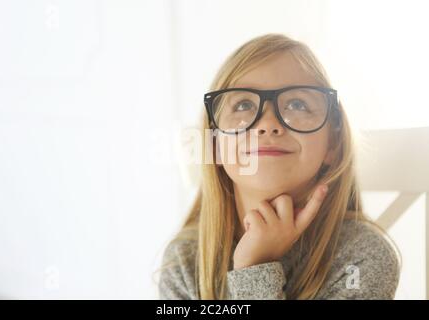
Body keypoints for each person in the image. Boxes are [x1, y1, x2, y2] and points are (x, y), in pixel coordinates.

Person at [157, 33, 400, 300]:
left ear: (333, 144)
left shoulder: (361, 257)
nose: (267, 123)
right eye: (244, 105)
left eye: (297, 104)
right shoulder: (185, 262)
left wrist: (254, 270)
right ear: (215, 144)